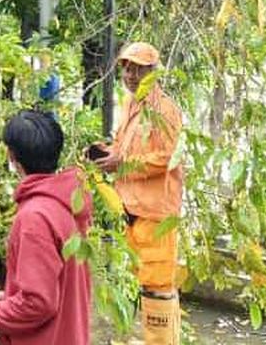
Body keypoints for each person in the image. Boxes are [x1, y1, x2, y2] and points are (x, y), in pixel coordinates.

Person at [92, 42, 183, 345]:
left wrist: (123, 162)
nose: (130, 74)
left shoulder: (165, 110)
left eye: (138, 68)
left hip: (156, 214)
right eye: (126, 68)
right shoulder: (131, 104)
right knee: (138, 283)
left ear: (153, 72)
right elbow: (124, 149)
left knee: (157, 287)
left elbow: (167, 157)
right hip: (132, 211)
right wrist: (106, 155)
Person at [0, 111, 92, 345]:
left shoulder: (35, 217)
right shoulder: (69, 200)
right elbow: (53, 282)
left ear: (12, 156)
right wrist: (9, 298)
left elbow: (39, 302)